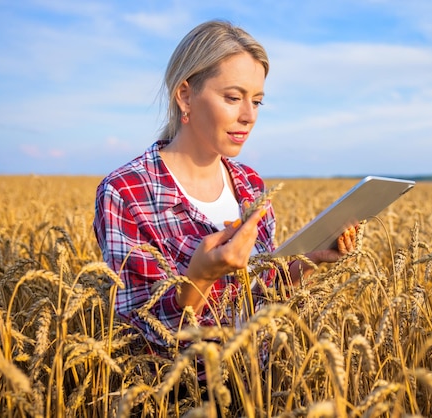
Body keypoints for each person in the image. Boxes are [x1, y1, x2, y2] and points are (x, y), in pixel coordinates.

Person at [93, 20, 357, 370]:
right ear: (185, 95)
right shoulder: (126, 193)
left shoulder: (251, 185)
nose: (248, 116)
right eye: (233, 97)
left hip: (259, 391)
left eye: (258, 101)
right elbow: (138, 339)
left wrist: (306, 264)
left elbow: (260, 296)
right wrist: (199, 279)